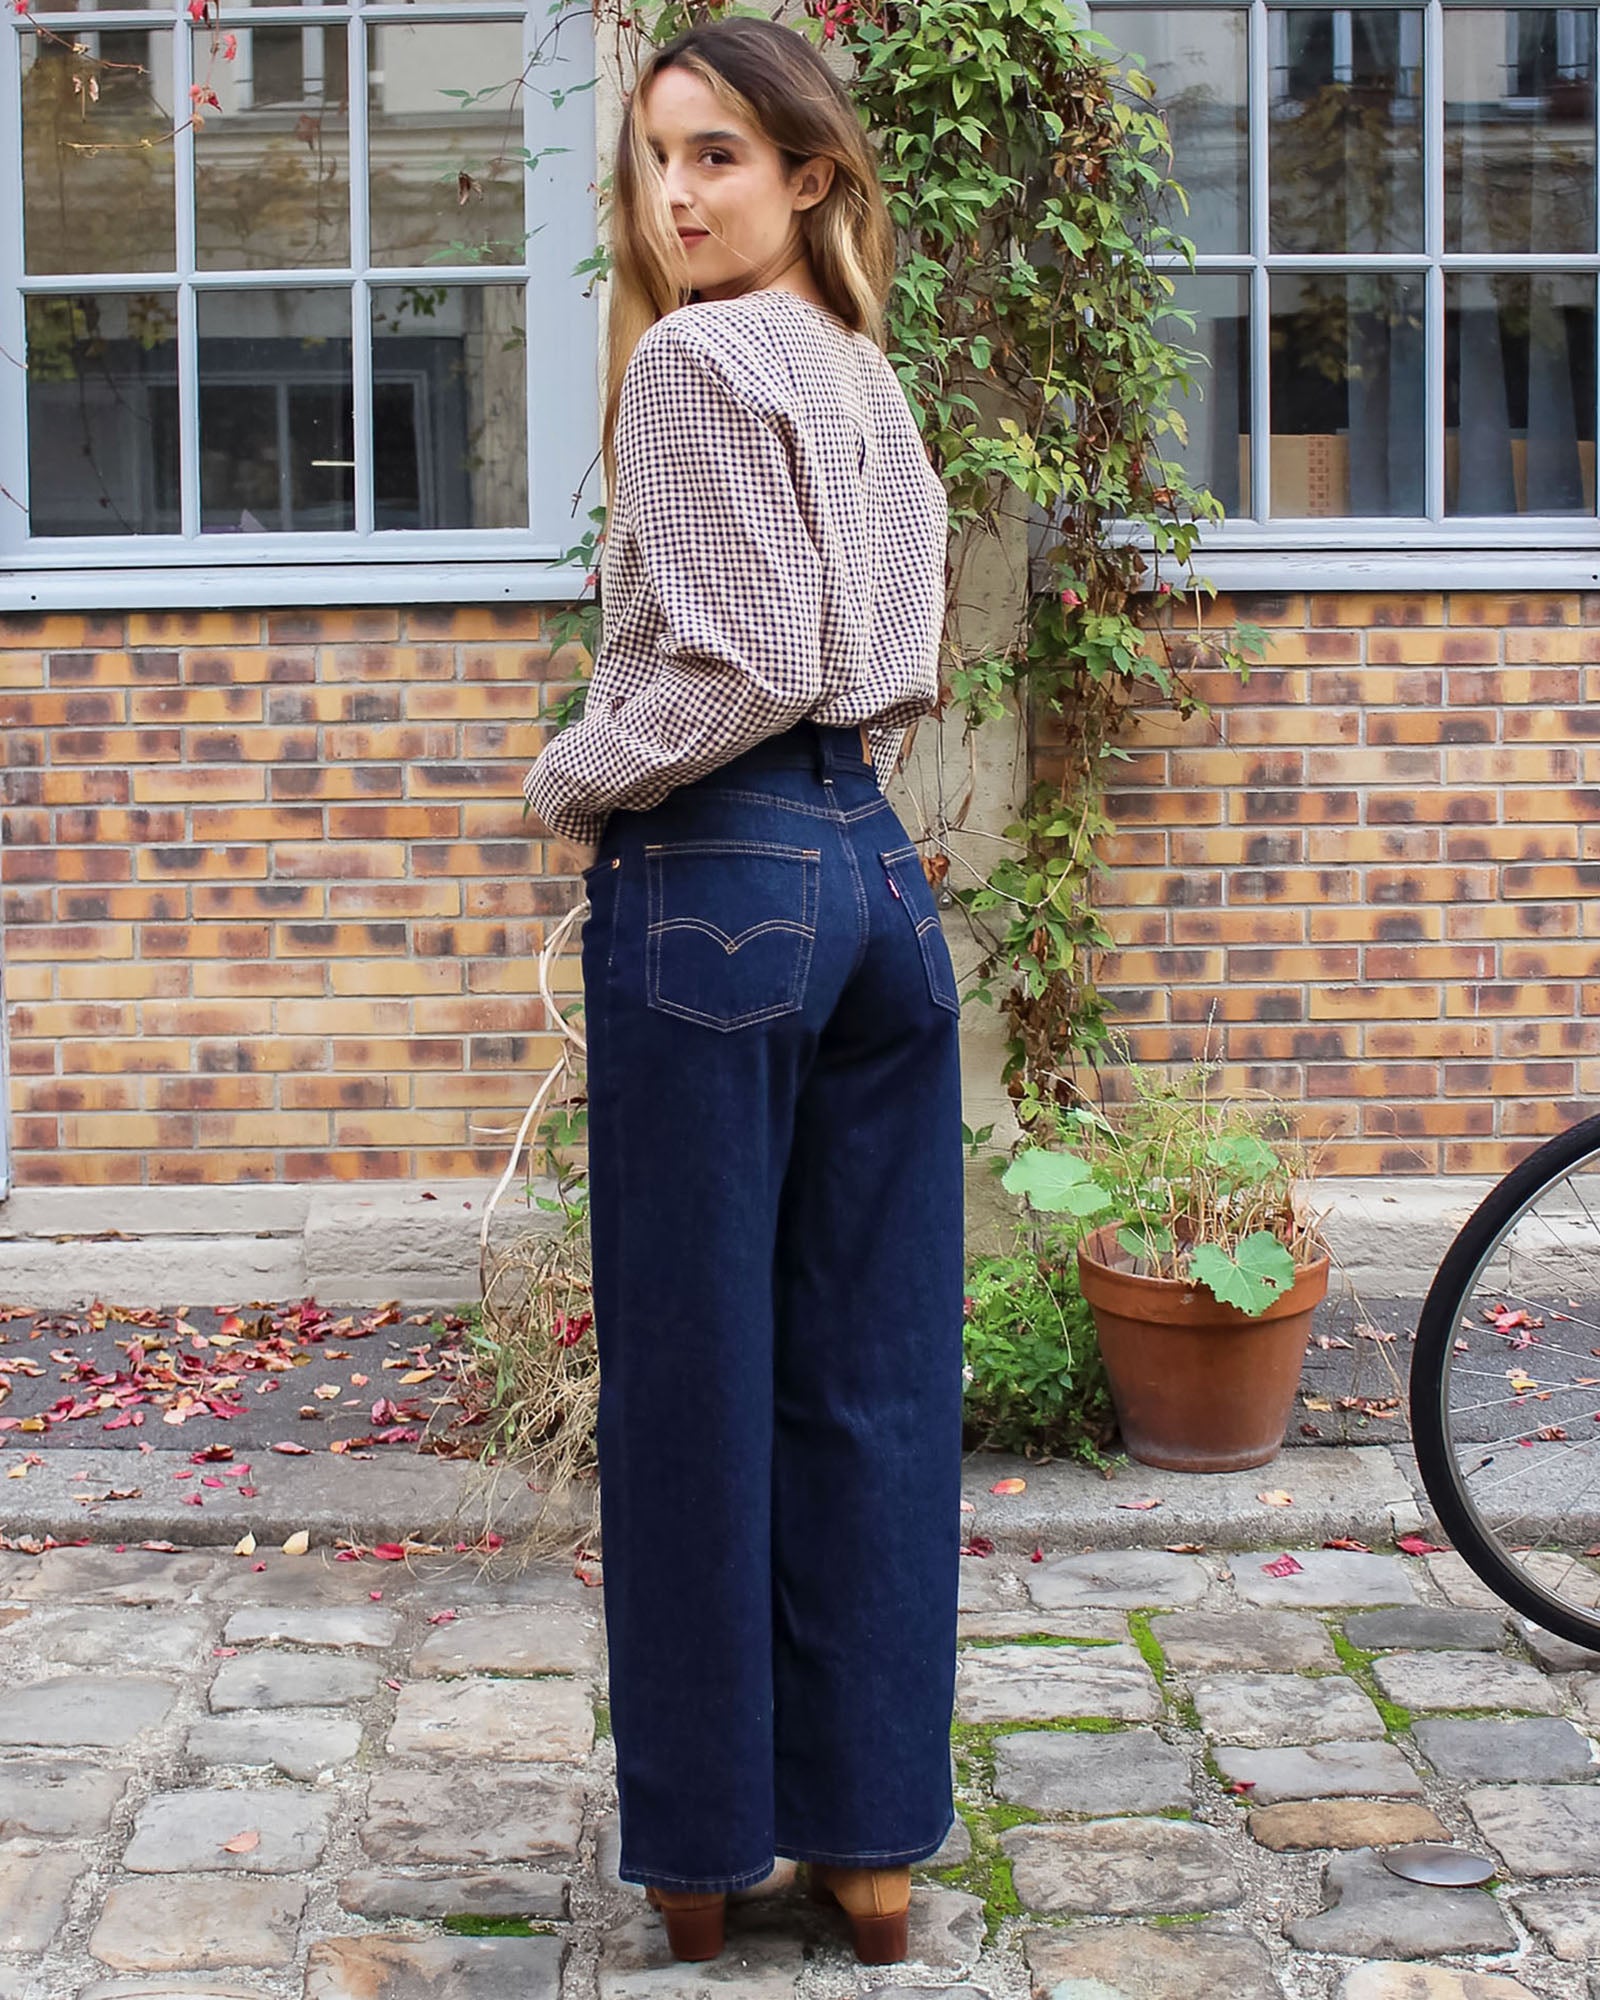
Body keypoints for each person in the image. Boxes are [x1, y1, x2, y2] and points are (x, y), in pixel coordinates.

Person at [522, 13, 962, 1970]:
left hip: (715, 873)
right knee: (869, 1377)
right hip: (873, 873)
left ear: (807, 174)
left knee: (696, 1381)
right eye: (658, 156)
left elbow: (740, 665)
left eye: (718, 155)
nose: (677, 194)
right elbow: (890, 653)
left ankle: (702, 1850)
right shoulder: (860, 369)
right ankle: (868, 1850)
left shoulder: (699, 361)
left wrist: (564, 777)